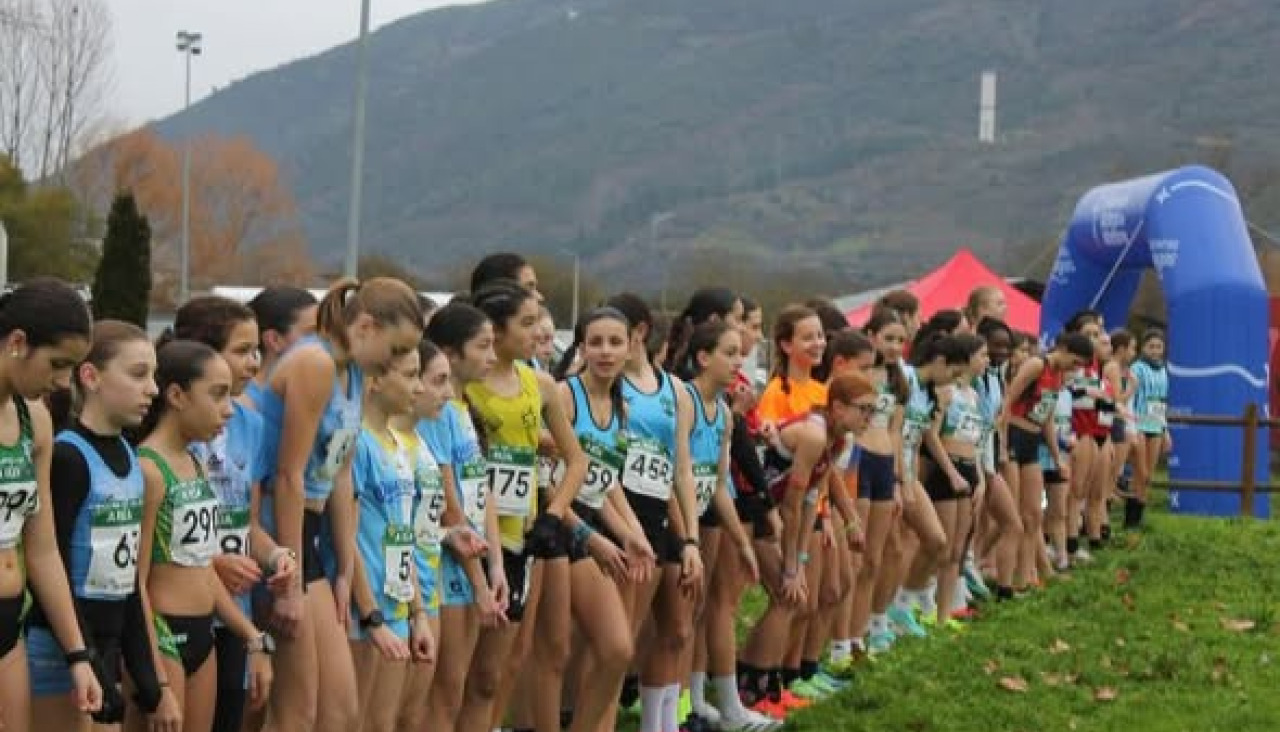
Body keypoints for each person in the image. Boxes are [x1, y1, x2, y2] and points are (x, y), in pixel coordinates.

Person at [255, 277, 422, 732]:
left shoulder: (353, 373)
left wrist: (345, 569)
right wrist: (288, 580)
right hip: (276, 532)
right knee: (296, 712)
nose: (400, 362)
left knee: (341, 713)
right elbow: (288, 477)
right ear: (365, 326)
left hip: (312, 539)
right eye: (397, 347)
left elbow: (340, 476)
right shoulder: (315, 362)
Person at [170, 297, 298, 732]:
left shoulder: (250, 422)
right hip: (184, 606)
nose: (253, 363)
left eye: (256, 351)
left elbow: (247, 521)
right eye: (241, 350)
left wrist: (277, 556)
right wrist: (212, 563)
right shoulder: (171, 429)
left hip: (236, 610)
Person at [132, 340, 273, 732]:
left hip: (202, 632)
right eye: (217, 395)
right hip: (164, 636)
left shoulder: (194, 461)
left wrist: (252, 636)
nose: (229, 409)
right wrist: (155, 675)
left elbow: (204, 569)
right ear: (176, 395)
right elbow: (136, 583)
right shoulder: (149, 469)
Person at [31, 321, 158, 732]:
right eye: (139, 374)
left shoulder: (128, 453)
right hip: (59, 653)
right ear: (91, 376)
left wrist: (146, 674)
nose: (152, 389)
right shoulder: (68, 457)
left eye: (153, 376)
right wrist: (83, 656)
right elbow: (53, 571)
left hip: (106, 647)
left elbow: (128, 581)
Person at [0, 279, 103, 732]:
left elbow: (42, 550)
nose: (64, 381)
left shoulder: (35, 419)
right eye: (58, 364)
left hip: (8, 628)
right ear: (18, 342)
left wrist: (77, 654)